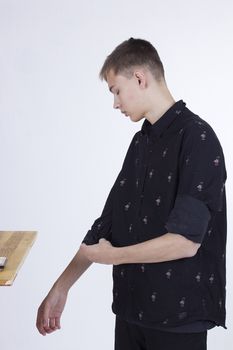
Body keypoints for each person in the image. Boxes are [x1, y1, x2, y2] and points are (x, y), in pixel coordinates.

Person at [36, 38, 227, 350]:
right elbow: (106, 224)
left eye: (115, 90)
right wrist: (61, 287)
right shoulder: (142, 143)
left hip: (177, 322)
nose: (115, 103)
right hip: (130, 314)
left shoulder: (198, 138)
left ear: (140, 78)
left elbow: (186, 242)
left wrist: (114, 257)